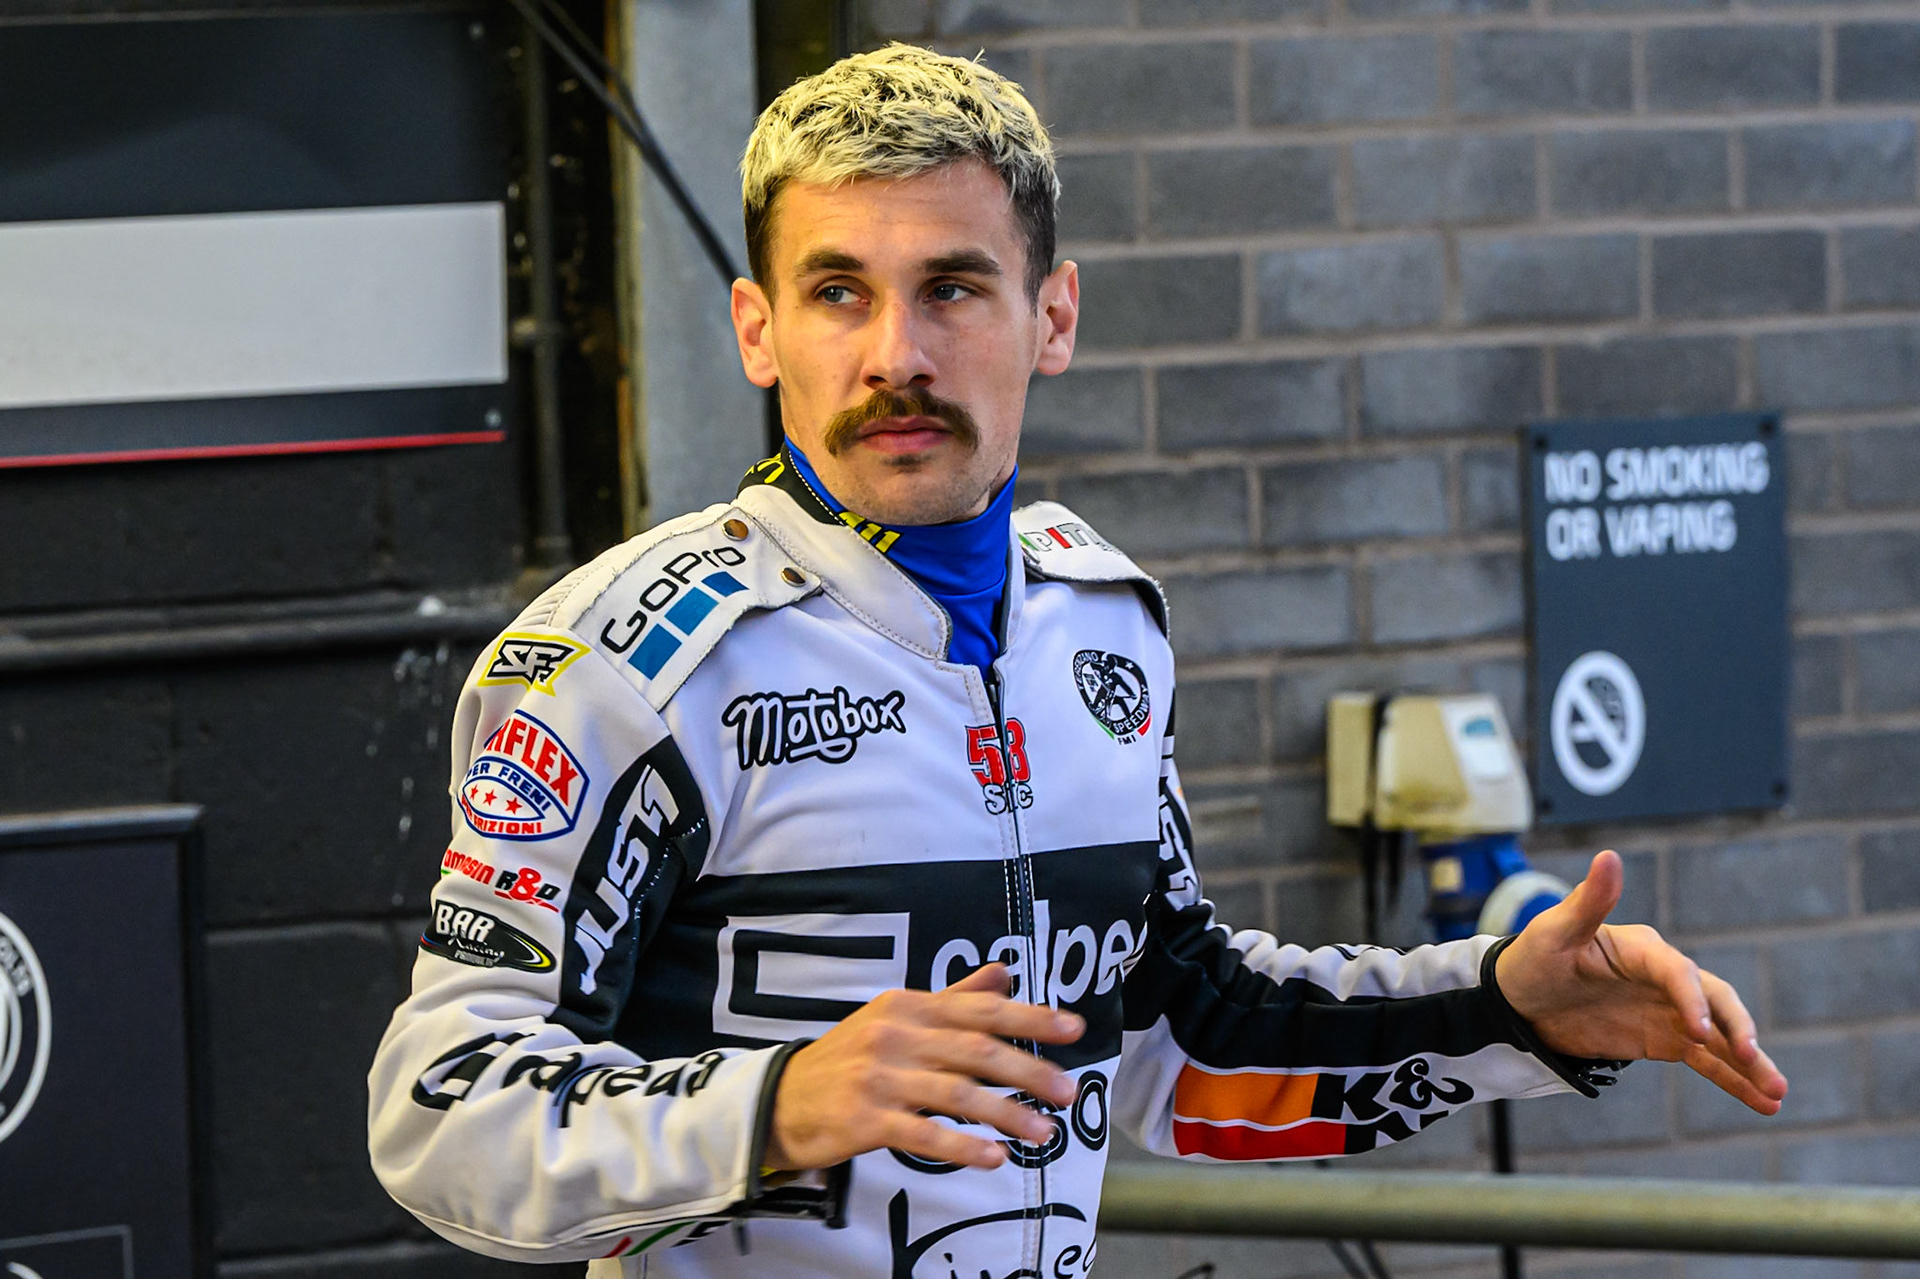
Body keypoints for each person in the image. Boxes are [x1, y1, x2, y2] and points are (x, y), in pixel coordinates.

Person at [367, 44, 1787, 1278]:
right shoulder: (627, 664)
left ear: (1052, 319)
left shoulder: (1103, 621)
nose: (896, 355)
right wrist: (781, 1104)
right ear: (759, 329)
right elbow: (444, 1118)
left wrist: (1509, 1009)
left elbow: (1185, 1042)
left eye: (952, 289)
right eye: (840, 292)